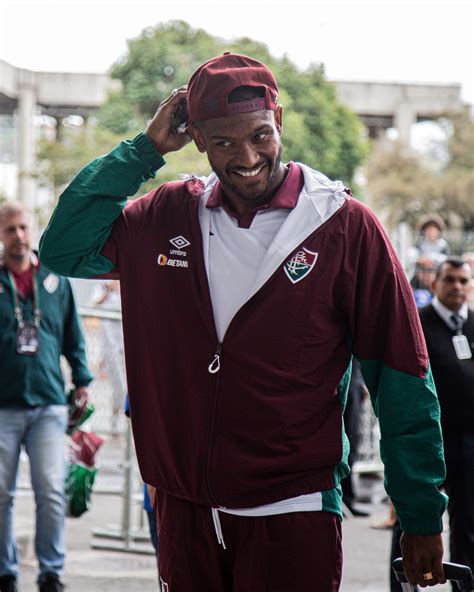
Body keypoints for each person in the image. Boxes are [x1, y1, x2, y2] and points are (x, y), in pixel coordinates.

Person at [39, 53, 447, 591]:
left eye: (259, 135)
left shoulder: (344, 227)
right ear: (198, 140)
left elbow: (402, 376)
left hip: (294, 510)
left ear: (278, 121)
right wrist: (144, 150)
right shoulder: (166, 215)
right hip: (186, 511)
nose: (247, 156)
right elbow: (63, 249)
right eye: (225, 142)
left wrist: (420, 512)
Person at [0, 202, 93, 592]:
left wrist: (83, 379)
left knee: (51, 491)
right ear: (1, 236)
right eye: (10, 230)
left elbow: (74, 335)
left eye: (23, 228)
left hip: (50, 403)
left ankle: (51, 571)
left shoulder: (55, 278)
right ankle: (5, 572)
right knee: (0, 494)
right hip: (3, 405)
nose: (19, 236)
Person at [390, 257, 474, 591]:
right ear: (435, 284)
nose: (457, 286)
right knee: (413, 522)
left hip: (468, 441)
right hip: (428, 442)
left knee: (467, 524)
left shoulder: (472, 325)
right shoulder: (418, 324)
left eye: (463, 281)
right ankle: (402, 586)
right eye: (450, 280)